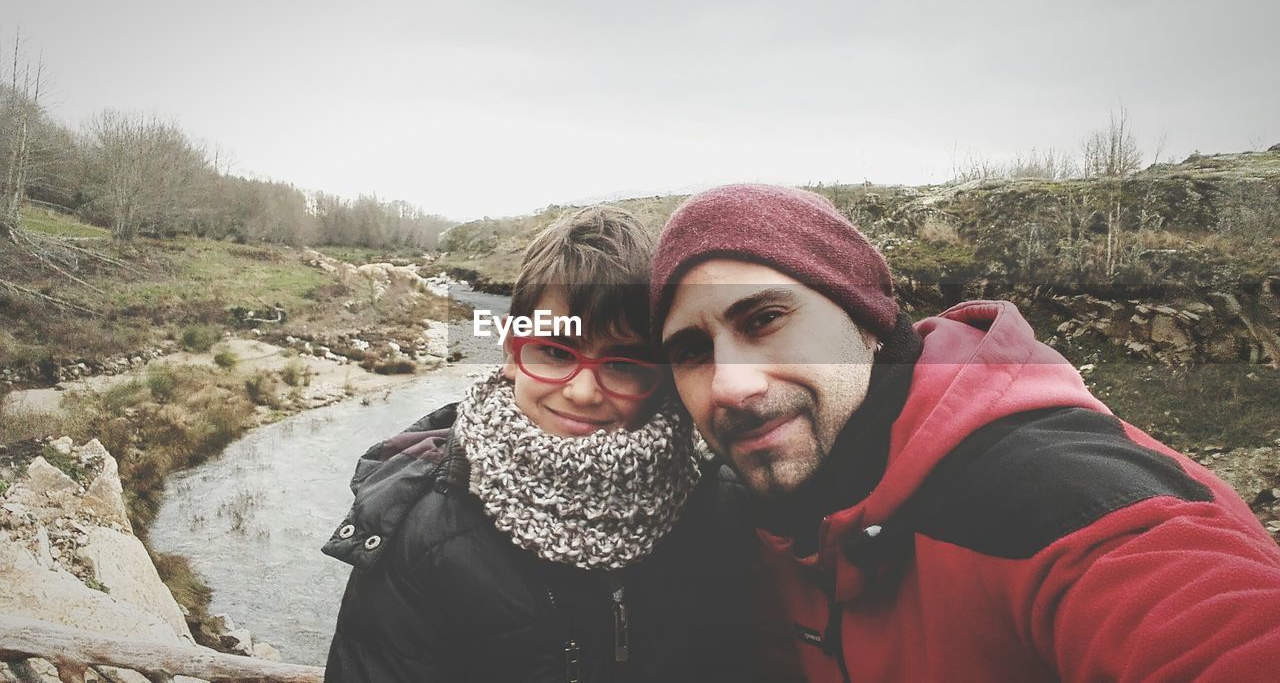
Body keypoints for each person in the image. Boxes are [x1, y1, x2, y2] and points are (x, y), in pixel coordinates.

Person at [648, 183, 1280, 682]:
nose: (731, 385)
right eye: (691, 352)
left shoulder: (1050, 493)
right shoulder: (765, 518)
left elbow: (1217, 628)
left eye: (764, 319)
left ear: (866, 319)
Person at [323, 205, 797, 682]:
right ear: (512, 352)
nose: (582, 392)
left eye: (623, 364)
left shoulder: (727, 504)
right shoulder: (424, 534)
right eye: (554, 352)